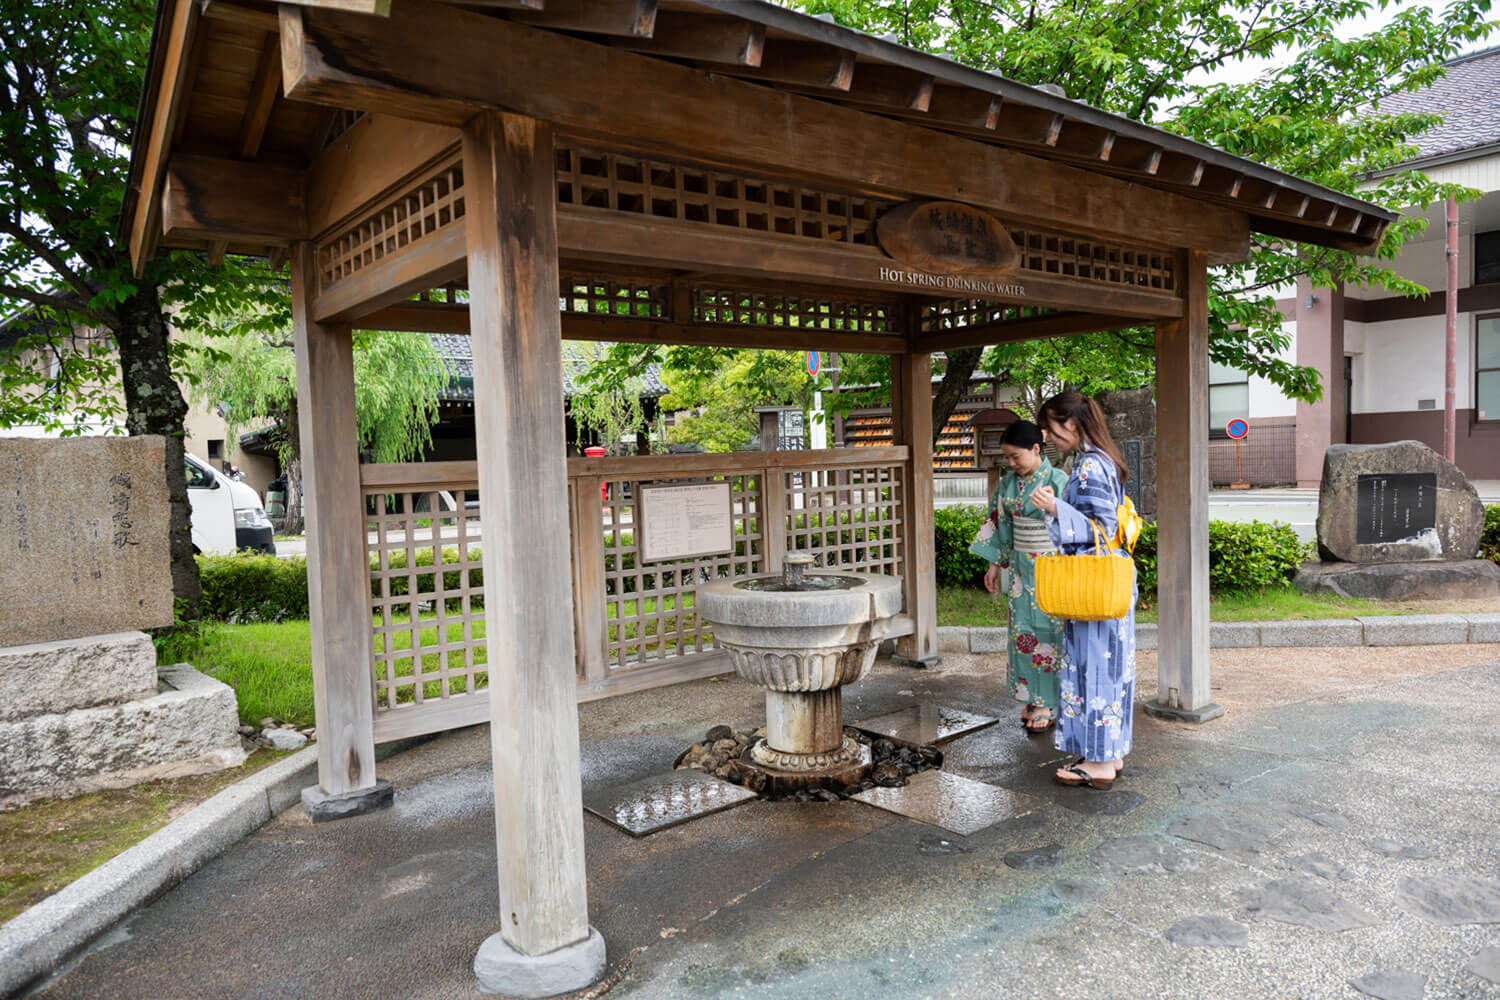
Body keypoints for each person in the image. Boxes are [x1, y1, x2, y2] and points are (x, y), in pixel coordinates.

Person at [1029, 391, 1136, 790]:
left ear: (1071, 424)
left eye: (1051, 428)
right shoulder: (1102, 459)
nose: (1049, 437)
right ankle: (1109, 752)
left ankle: (1098, 762)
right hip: (1111, 582)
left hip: (1093, 585)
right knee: (1110, 671)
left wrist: (1056, 508)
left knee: (1093, 671)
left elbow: (1101, 531)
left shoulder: (1089, 466)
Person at [968, 420, 1069, 734]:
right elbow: (998, 522)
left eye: (1016, 457)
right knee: (1023, 633)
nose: (1011, 464)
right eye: (1007, 458)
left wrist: (1055, 507)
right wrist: (995, 565)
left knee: (1050, 635)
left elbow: (1076, 521)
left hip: (1053, 568)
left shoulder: (1058, 479)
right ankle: (1033, 695)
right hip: (1021, 571)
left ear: (1036, 449)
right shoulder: (1009, 483)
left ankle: (1049, 702)